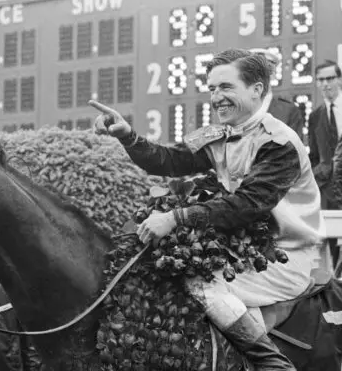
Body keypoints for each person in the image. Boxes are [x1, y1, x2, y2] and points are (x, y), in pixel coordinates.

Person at [90, 48, 324, 370]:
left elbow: (247, 205)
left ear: (257, 89)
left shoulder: (279, 142)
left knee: (199, 283)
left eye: (226, 87)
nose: (216, 97)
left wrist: (176, 217)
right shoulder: (217, 133)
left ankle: (272, 364)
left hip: (288, 255)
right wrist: (129, 137)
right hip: (245, 244)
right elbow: (169, 160)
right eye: (212, 88)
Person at [308, 60, 342, 268]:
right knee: (332, 245)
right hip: (327, 191)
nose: (326, 84)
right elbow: (314, 154)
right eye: (321, 80)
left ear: (339, 80)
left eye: (330, 78)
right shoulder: (315, 116)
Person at [250, 48, 304, 139]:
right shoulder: (238, 108)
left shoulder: (288, 111)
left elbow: (295, 149)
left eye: (264, 71)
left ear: (273, 73)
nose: (259, 76)